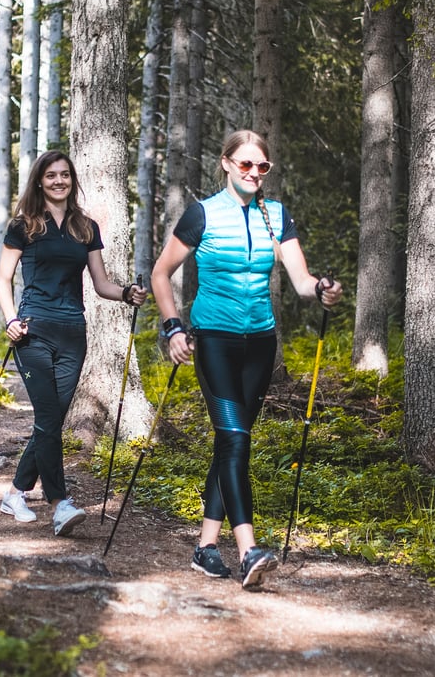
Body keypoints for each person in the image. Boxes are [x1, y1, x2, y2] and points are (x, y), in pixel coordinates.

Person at [150, 130, 343, 590]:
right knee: (234, 439)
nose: (254, 173)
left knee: (232, 442)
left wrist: (321, 289)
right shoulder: (202, 213)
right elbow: (161, 273)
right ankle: (249, 550)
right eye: (245, 165)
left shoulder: (276, 216)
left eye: (262, 167)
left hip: (259, 343)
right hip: (214, 338)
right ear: (226, 164)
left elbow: (299, 280)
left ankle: (204, 547)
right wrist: (173, 325)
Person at [0, 150, 147, 536]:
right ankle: (59, 503)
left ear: (72, 180)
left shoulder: (85, 227)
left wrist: (127, 292)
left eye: (64, 175)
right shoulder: (24, 225)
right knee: (47, 418)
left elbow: (100, 283)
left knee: (52, 421)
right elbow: (2, 279)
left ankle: (15, 492)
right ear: (39, 181)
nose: (59, 181)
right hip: (33, 332)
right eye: (51, 175)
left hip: (72, 334)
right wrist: (10, 319)